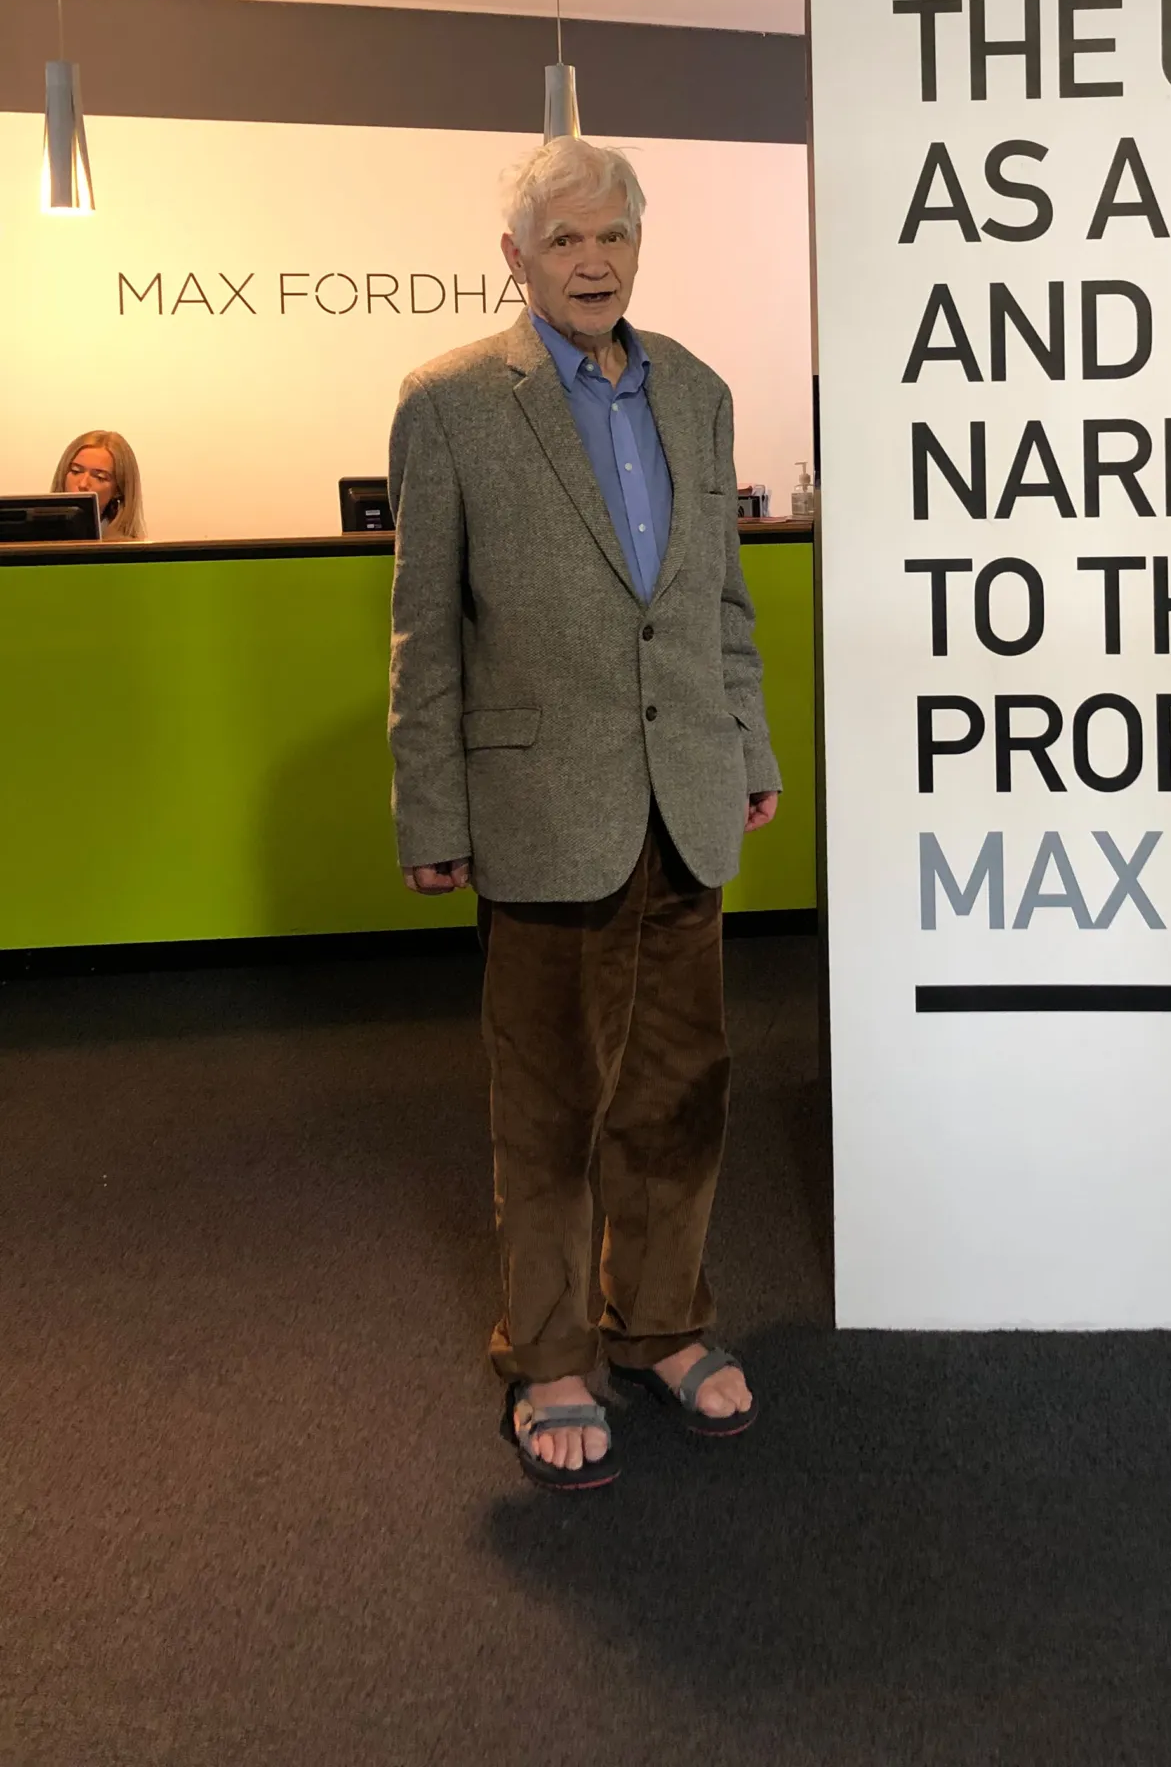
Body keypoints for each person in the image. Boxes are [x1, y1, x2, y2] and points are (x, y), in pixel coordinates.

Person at [386, 137, 780, 1492]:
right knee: (551, 1105)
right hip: (541, 807)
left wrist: (748, 744)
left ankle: (663, 1321)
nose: (595, 259)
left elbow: (720, 604)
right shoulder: (447, 407)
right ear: (516, 258)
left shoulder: (703, 393)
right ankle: (552, 1360)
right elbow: (423, 633)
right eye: (565, 239)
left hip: (687, 798)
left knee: (681, 1090)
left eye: (614, 235)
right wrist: (429, 802)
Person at [52, 431, 146, 542]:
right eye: (75, 471)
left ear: (118, 490)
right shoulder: (36, 540)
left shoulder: (130, 551)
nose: (83, 484)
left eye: (100, 477)